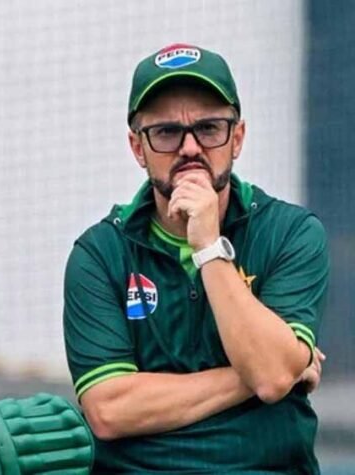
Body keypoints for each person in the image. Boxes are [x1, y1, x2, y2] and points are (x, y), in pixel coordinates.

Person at [63, 43, 329, 473]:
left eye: (208, 128)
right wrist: (276, 368)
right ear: (137, 147)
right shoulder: (99, 253)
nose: (189, 148)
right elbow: (109, 410)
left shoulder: (292, 232)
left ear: (237, 138)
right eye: (166, 132)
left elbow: (272, 375)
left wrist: (208, 247)